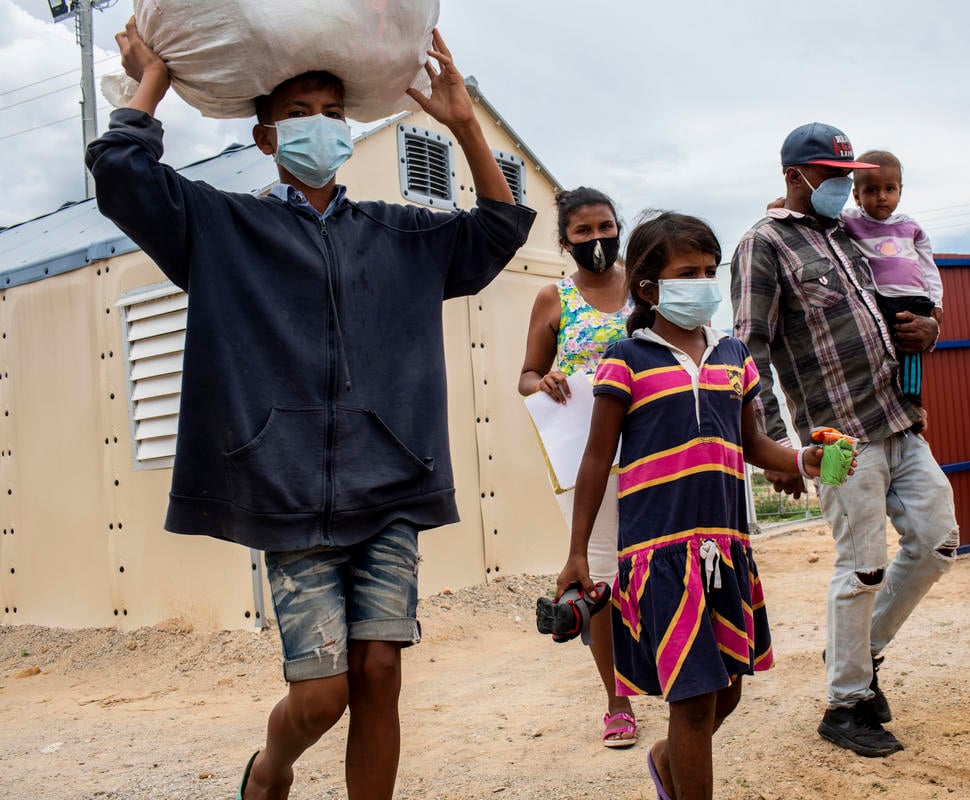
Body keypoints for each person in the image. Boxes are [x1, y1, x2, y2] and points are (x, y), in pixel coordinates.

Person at [86, 21, 534, 800]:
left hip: (392, 485)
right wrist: (150, 80)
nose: (321, 125)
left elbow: (496, 231)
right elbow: (123, 175)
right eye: (301, 111)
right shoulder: (221, 228)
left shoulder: (400, 234)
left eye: (334, 111)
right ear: (266, 136)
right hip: (285, 493)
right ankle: (272, 769)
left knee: (382, 670)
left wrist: (463, 124)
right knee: (323, 695)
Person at [556, 211, 829, 800]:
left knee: (725, 691)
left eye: (710, 270)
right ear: (650, 287)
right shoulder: (626, 358)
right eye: (688, 272)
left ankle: (665, 761)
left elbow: (752, 441)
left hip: (725, 550)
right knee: (696, 702)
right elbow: (596, 459)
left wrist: (803, 459)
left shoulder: (734, 356)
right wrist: (577, 552)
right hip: (660, 556)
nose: (703, 282)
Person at [731, 122, 957, 758]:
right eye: (831, 176)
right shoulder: (764, 245)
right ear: (793, 177)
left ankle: (859, 651)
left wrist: (928, 332)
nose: (843, 186)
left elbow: (897, 309)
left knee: (937, 543)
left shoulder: (850, 237)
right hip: (838, 437)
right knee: (862, 565)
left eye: (846, 176)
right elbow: (750, 348)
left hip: (899, 417)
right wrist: (772, 444)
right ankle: (847, 703)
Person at [517, 187, 638, 747]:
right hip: (585, 458)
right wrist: (543, 381)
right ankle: (618, 702)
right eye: (583, 232)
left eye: (605, 227)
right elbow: (526, 376)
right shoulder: (554, 298)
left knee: (661, 562)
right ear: (564, 240)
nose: (597, 240)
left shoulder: (646, 284)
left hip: (651, 448)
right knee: (602, 578)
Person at [840, 150, 943, 412]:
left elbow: (928, 265)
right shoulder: (850, 221)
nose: (882, 196)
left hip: (913, 297)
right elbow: (816, 216)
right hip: (878, 299)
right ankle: (882, 401)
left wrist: (936, 301)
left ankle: (912, 403)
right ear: (857, 195)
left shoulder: (911, 227)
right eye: (872, 190)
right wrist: (783, 204)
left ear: (900, 191)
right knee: (881, 349)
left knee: (910, 350)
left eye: (890, 188)